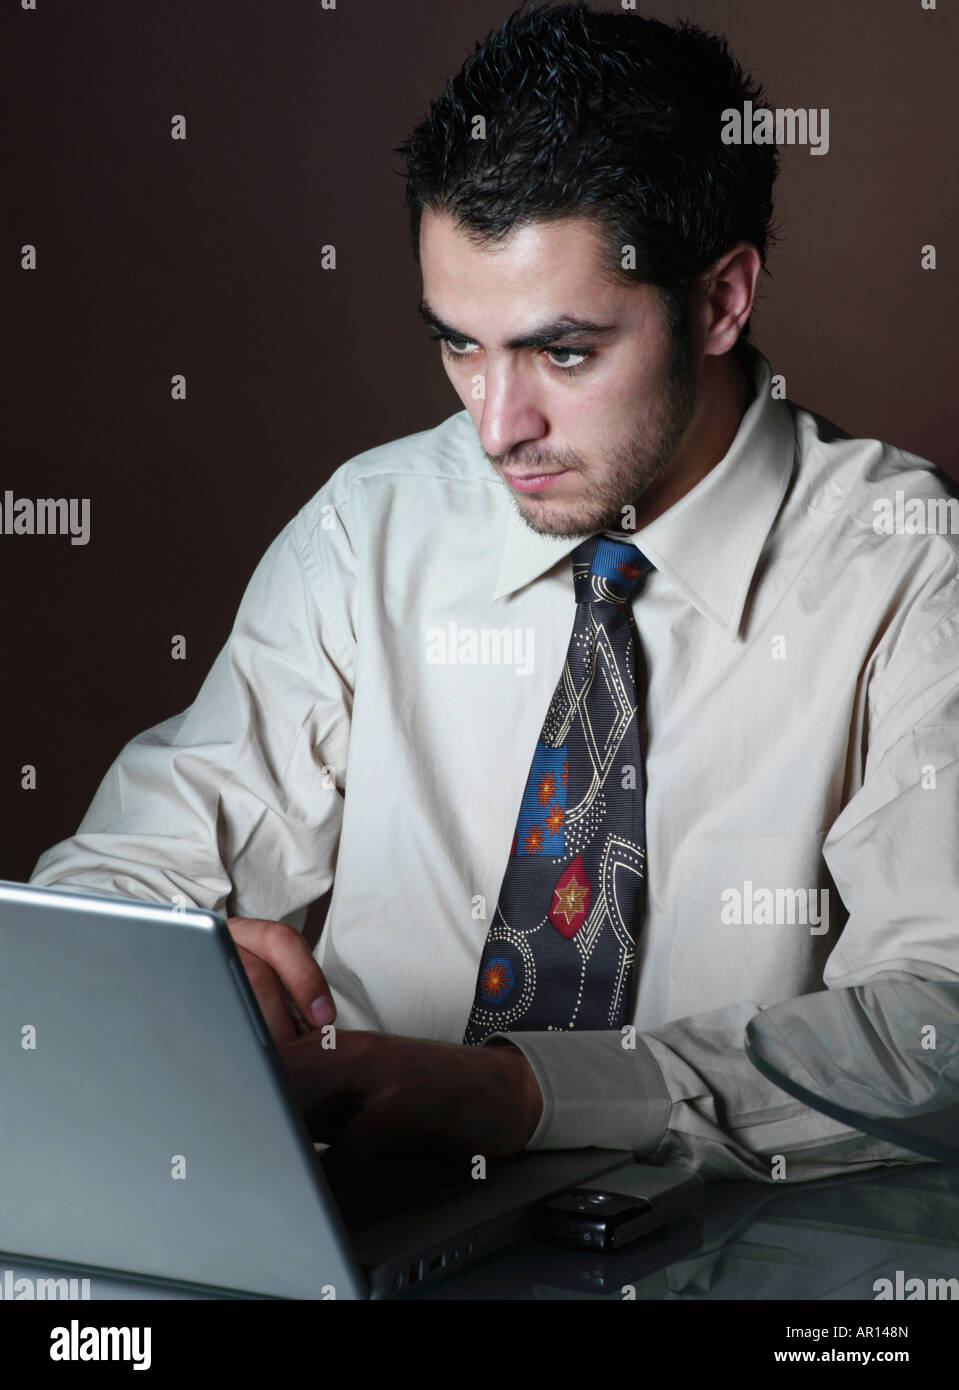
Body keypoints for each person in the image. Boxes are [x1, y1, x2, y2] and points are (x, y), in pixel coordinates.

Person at [31, 0, 959, 1182]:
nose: (495, 425)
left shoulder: (906, 564)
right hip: (365, 1228)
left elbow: (934, 1028)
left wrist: (530, 1094)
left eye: (561, 352)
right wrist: (164, 969)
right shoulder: (369, 528)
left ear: (721, 299)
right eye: (458, 343)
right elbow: (104, 892)